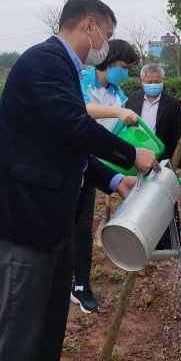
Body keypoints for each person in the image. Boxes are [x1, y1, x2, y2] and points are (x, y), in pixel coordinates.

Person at [0, 0, 157, 361]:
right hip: (24, 220)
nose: (105, 45)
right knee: (19, 338)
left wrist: (116, 179)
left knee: (48, 329)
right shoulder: (44, 61)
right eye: (108, 34)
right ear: (89, 25)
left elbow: (67, 144)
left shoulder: (64, 69)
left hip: (52, 224)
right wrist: (132, 156)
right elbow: (73, 125)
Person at [72, 39, 140, 314]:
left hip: (96, 167)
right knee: (62, 224)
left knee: (83, 227)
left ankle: (80, 285)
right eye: (124, 67)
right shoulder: (82, 79)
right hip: (71, 161)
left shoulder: (118, 92)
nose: (125, 73)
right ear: (109, 61)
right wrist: (118, 111)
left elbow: (119, 133)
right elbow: (82, 110)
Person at [126, 63, 181, 248]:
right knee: (138, 197)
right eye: (149, 81)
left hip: (163, 159)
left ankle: (168, 242)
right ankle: (142, 239)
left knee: (165, 199)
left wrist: (176, 164)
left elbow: (179, 137)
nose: (153, 84)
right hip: (136, 158)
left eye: (157, 81)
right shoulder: (132, 101)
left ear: (163, 82)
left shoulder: (174, 105)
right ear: (142, 82)